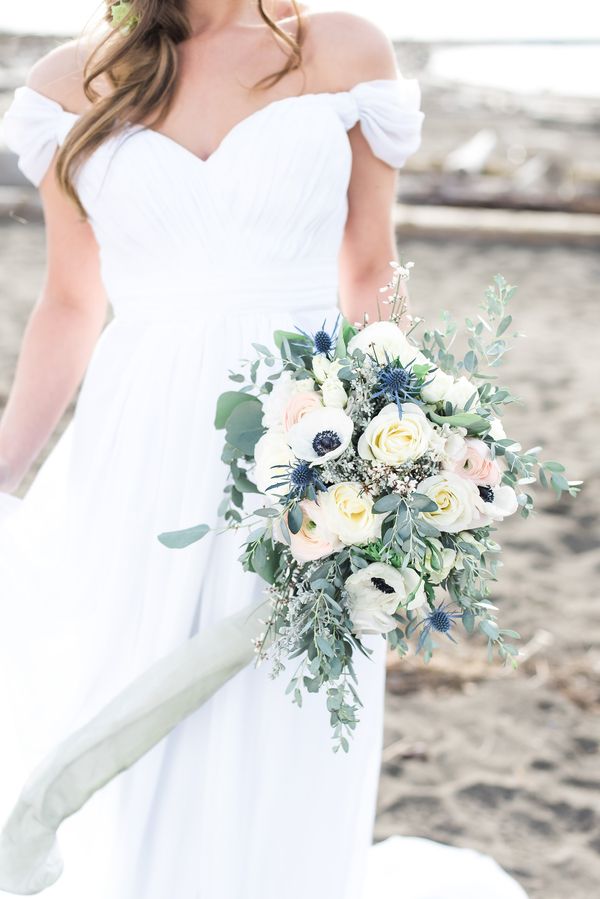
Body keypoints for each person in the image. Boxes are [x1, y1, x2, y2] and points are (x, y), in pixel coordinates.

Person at [0, 2, 527, 898]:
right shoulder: (71, 80)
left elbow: (369, 269)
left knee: (280, 700)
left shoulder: (343, 49)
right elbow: (71, 302)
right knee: (120, 690)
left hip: (306, 442)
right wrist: (4, 469)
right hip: (140, 439)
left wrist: (399, 448)